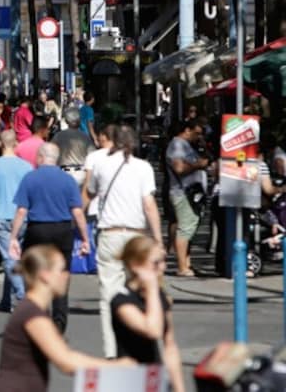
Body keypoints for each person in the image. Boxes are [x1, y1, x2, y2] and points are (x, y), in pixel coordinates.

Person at [0, 246, 133, 392]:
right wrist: (117, 366)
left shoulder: (33, 310)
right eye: (61, 270)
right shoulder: (31, 314)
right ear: (45, 275)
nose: (66, 275)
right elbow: (66, 361)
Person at [86, 125, 163, 358]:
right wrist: (158, 239)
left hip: (109, 232)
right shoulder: (143, 168)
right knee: (139, 290)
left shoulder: (100, 165)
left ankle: (112, 350)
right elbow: (149, 205)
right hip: (136, 235)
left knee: (108, 293)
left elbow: (89, 193)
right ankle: (136, 343)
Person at [9, 143, 90, 333]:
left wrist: (13, 237)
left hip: (38, 230)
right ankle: (59, 323)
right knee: (61, 276)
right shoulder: (68, 180)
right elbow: (77, 211)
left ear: (40, 157)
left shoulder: (30, 178)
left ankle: (40, 319)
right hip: (62, 230)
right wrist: (85, 238)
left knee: (37, 276)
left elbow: (21, 210)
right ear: (58, 159)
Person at [111, 236, 185, 392]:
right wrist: (152, 288)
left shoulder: (160, 296)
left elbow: (169, 345)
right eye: (156, 263)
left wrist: (179, 388)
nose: (162, 267)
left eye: (163, 261)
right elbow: (153, 330)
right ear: (135, 265)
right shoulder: (122, 300)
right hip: (131, 381)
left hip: (156, 379)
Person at [0, 130, 34, 311]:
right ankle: (7, 300)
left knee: (10, 259)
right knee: (16, 256)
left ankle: (21, 296)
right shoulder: (26, 167)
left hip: (2, 215)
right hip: (23, 216)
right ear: (16, 143)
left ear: (0, 144)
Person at [166, 119, 208, 276]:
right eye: (196, 133)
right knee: (185, 228)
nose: (198, 137)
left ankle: (187, 264)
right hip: (182, 192)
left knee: (189, 227)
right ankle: (182, 266)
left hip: (188, 192)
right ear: (186, 130)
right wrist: (199, 164)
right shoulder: (177, 145)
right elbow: (179, 167)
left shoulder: (184, 145)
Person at [52, 107, 94, 186]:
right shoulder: (85, 137)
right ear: (79, 121)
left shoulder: (58, 136)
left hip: (63, 172)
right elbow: (92, 156)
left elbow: (52, 152)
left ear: (67, 121)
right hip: (81, 174)